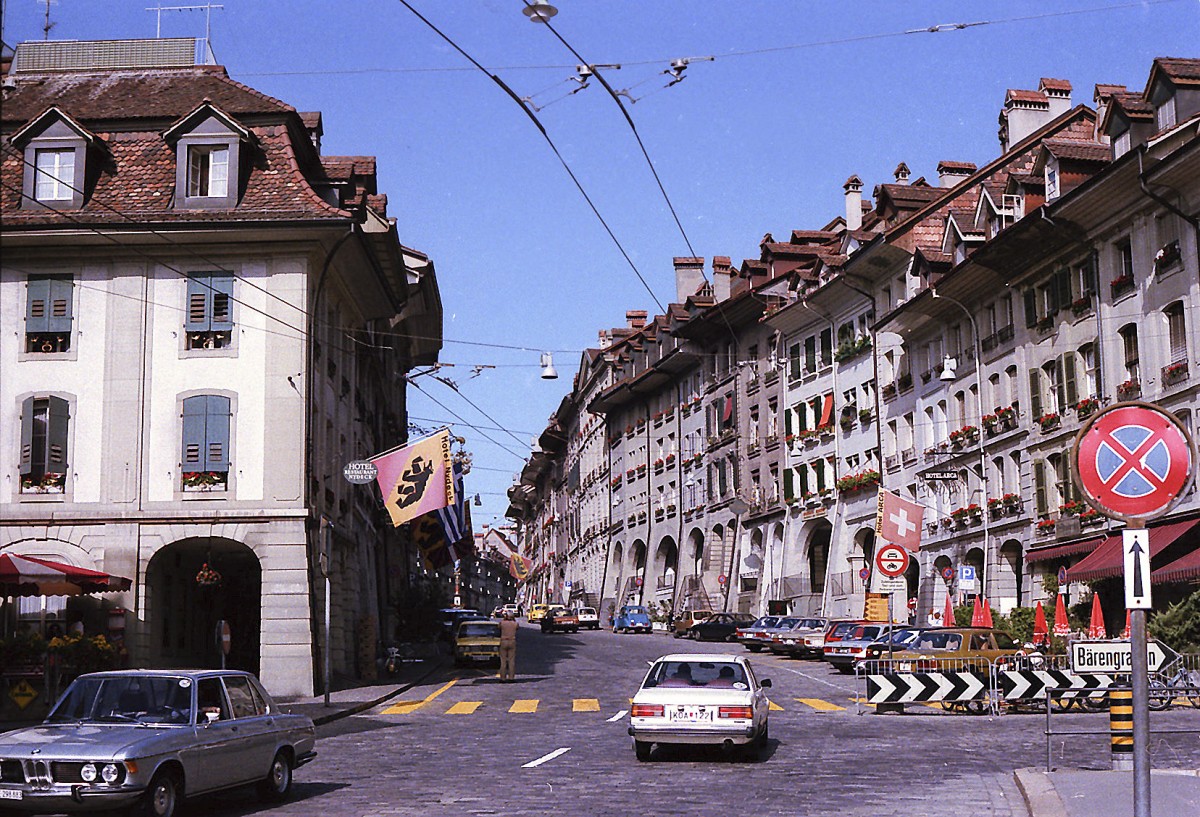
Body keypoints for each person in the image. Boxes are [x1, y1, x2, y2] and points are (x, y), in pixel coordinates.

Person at [498, 611, 518, 682]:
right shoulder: (515, 624)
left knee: (503, 661)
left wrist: (504, 619)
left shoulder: (502, 623)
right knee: (511, 660)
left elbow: (499, 627)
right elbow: (517, 628)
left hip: (503, 641)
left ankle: (502, 678)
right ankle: (511, 678)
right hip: (512, 641)